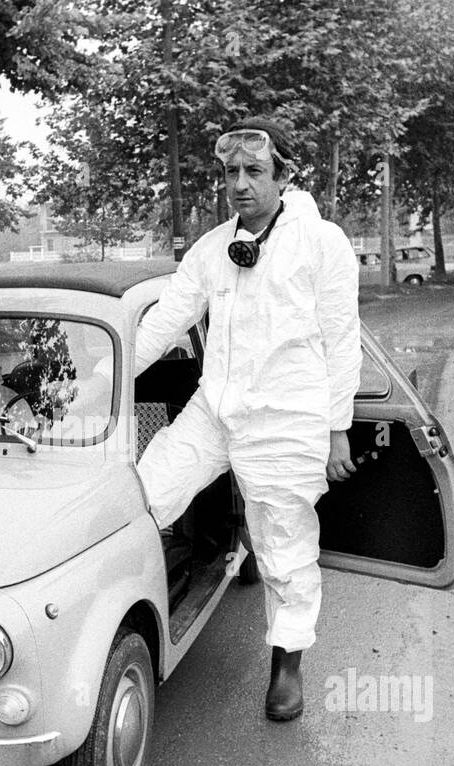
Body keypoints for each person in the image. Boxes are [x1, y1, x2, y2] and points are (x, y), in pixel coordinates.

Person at [134, 116, 362, 721]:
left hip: (288, 421)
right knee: (142, 491)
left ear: (282, 177)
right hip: (215, 411)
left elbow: (342, 340)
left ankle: (287, 664)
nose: (240, 184)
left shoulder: (323, 244)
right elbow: (162, 323)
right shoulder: (212, 249)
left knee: (283, 548)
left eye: (255, 171)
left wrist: (338, 428)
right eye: (231, 172)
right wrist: (98, 380)